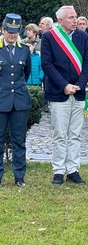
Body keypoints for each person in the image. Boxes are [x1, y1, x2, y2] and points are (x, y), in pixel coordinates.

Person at [41, 5, 88, 185]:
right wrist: (64, 85)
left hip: (77, 93)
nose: (75, 21)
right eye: (71, 17)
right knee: (60, 134)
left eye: (76, 17)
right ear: (60, 20)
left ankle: (73, 169)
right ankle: (58, 170)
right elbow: (47, 64)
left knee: (75, 133)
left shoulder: (83, 36)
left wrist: (78, 85)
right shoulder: (49, 37)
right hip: (58, 92)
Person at [0, 13, 31, 187]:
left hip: (19, 101)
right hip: (1, 100)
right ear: (3, 30)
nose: (12, 35)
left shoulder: (24, 49)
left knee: (19, 141)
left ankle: (19, 177)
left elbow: (25, 74)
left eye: (15, 31)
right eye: (9, 31)